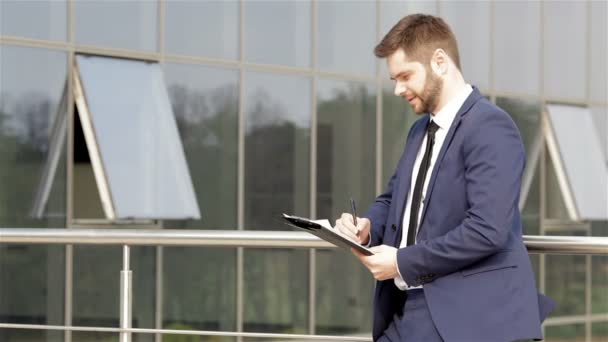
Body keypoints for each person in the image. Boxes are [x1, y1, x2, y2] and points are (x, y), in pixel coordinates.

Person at [335, 14, 555, 342]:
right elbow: (393, 199)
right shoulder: (419, 132)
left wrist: (401, 262)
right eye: (394, 79)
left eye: (405, 76)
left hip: (468, 317)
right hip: (410, 309)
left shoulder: (491, 127)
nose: (398, 89)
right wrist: (366, 228)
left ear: (440, 61)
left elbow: (487, 230)